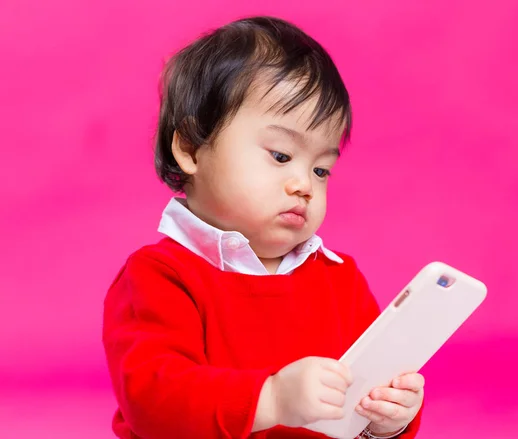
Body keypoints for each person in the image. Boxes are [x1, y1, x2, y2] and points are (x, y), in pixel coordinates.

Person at [102, 15, 424, 439]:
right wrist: (271, 398)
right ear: (191, 149)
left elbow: (358, 401)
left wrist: (389, 418)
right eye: (280, 156)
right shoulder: (159, 277)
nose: (304, 185)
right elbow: (154, 402)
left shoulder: (339, 278)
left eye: (322, 169)